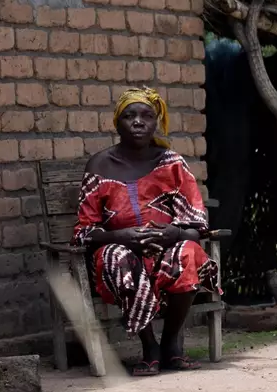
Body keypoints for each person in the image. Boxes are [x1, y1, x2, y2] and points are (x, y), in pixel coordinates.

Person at [71, 87, 222, 376]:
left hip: (166, 253)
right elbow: (83, 232)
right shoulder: (100, 166)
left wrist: (172, 235)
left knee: (189, 252)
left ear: (157, 122)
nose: (138, 122)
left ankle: (170, 345)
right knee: (117, 257)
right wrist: (121, 237)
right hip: (118, 258)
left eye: (146, 116)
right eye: (129, 116)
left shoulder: (172, 164)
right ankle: (149, 347)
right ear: (117, 123)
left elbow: (196, 228)